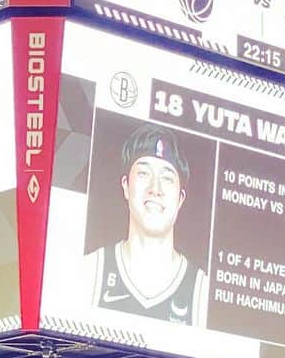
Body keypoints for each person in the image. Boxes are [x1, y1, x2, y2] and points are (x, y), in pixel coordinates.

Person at [86, 125, 208, 326]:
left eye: (167, 178)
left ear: (181, 198)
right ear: (125, 185)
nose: (155, 189)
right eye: (144, 173)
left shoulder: (201, 291)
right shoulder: (90, 271)